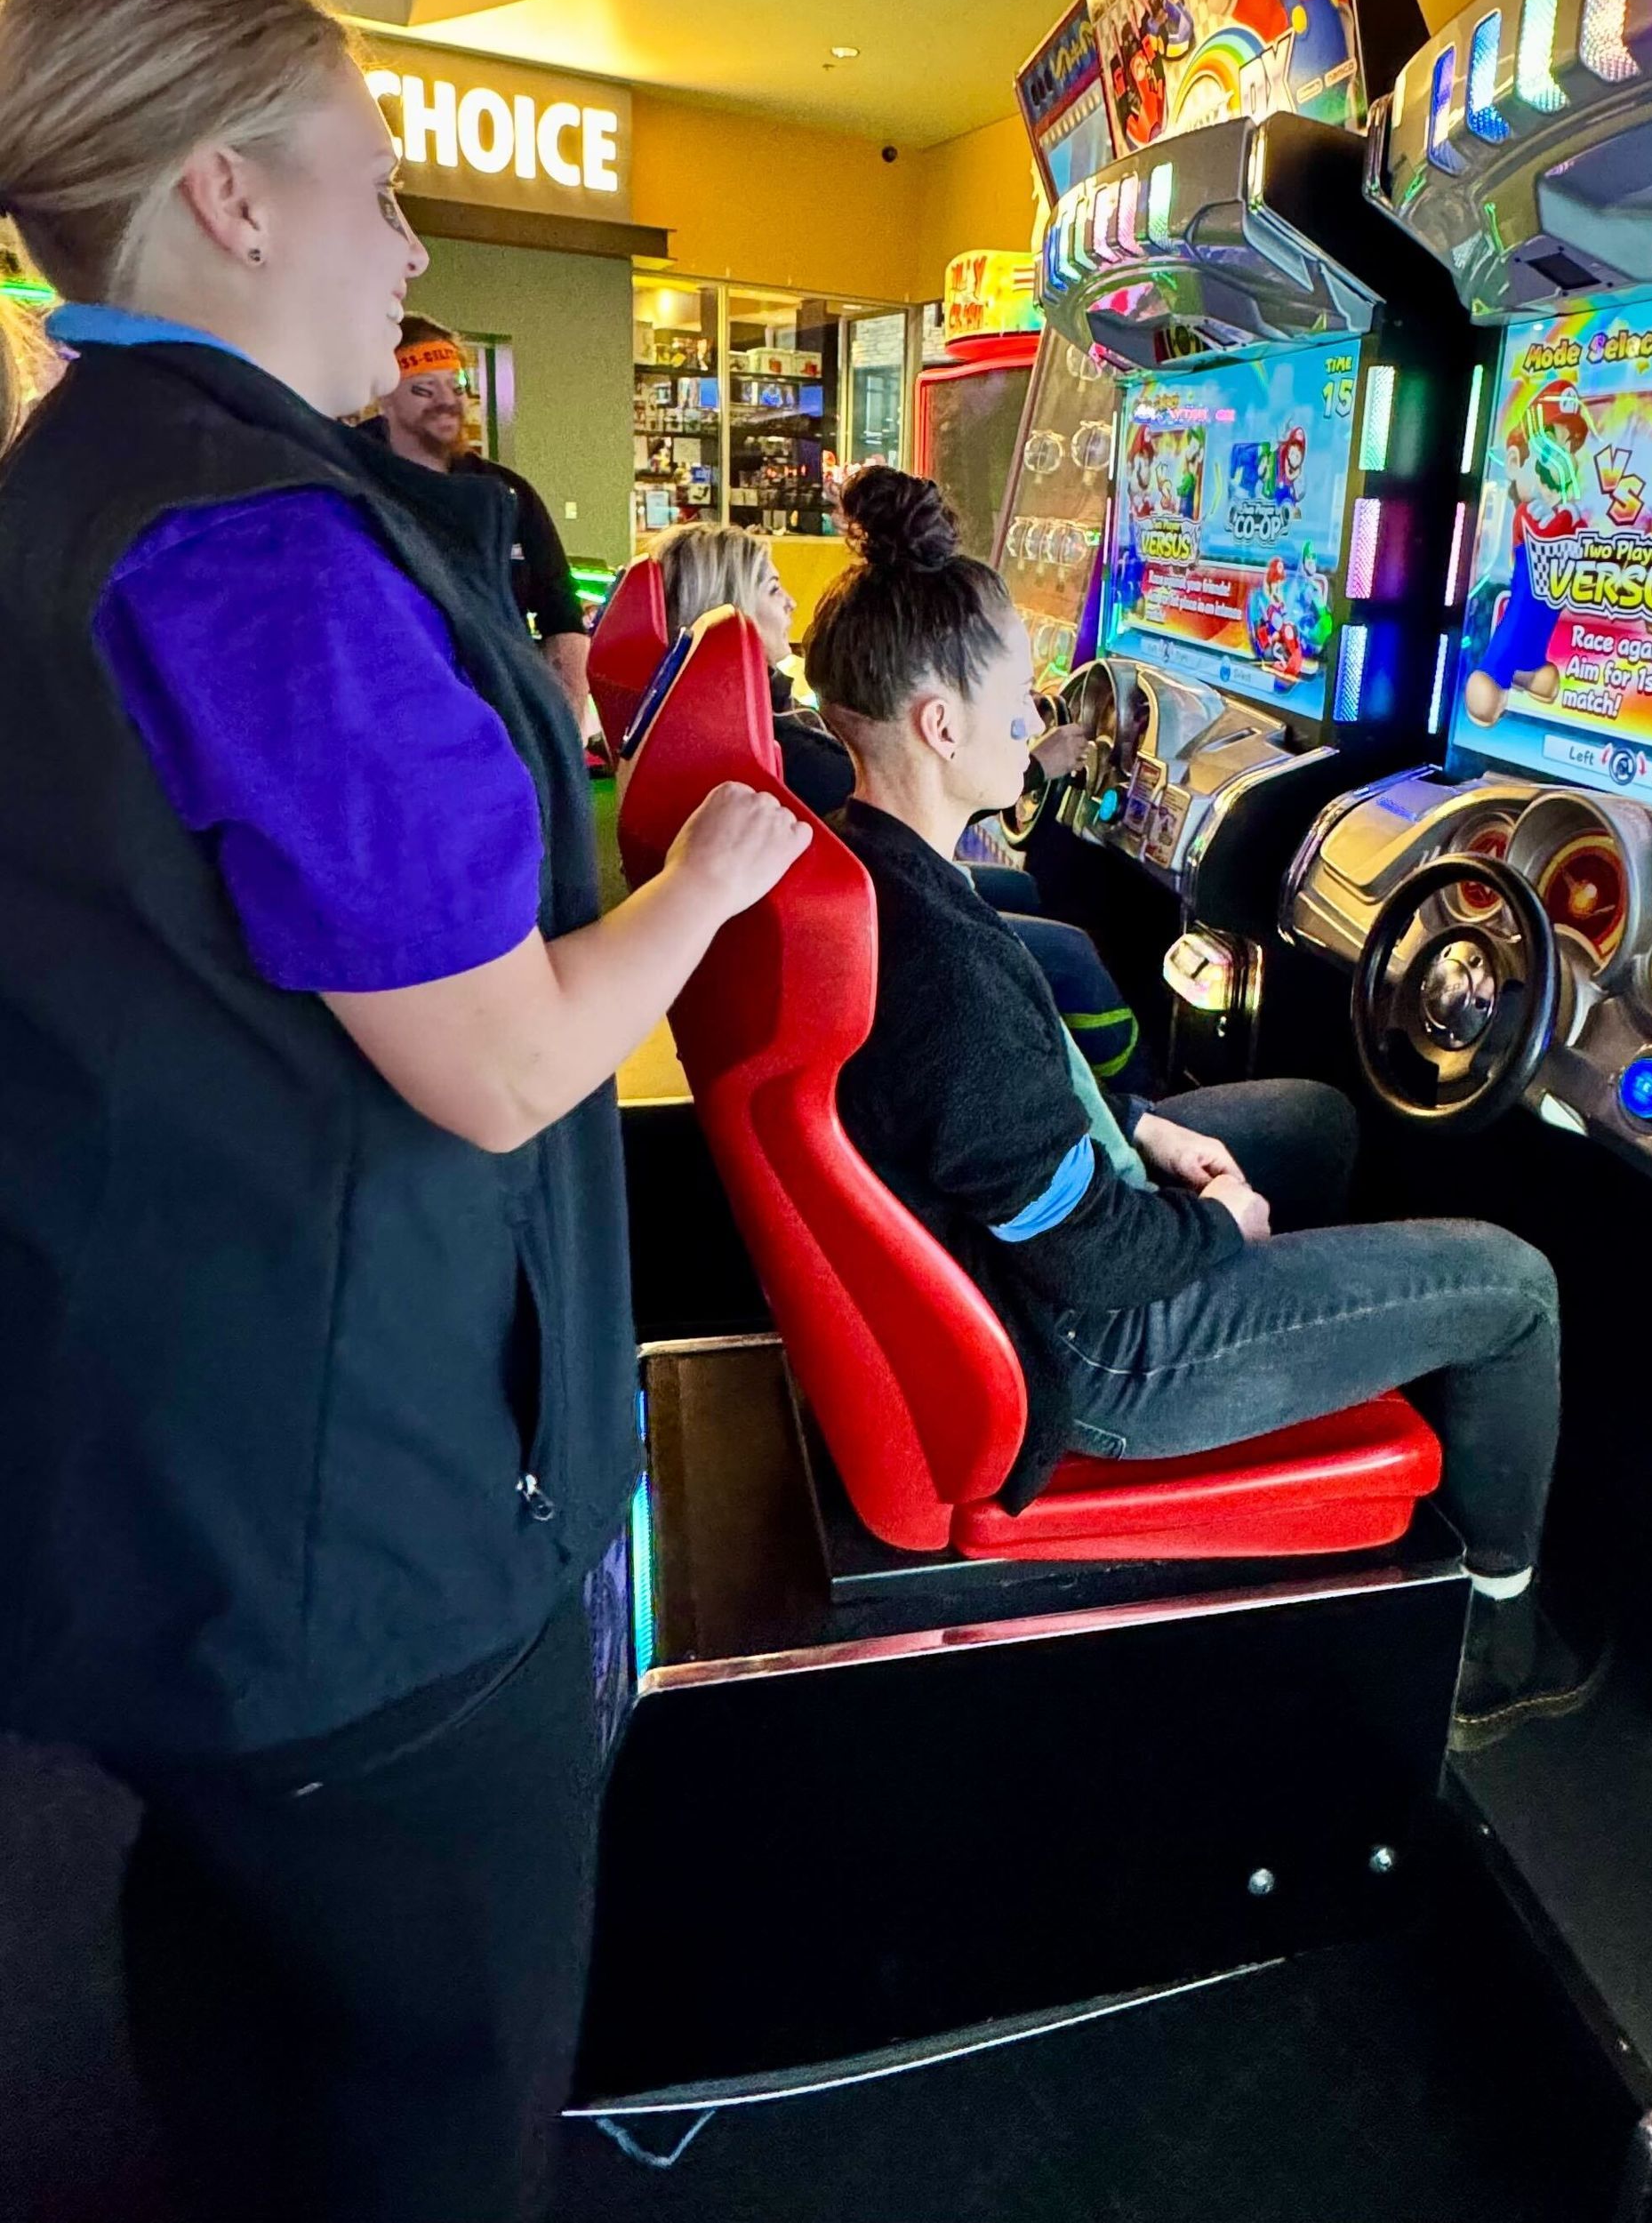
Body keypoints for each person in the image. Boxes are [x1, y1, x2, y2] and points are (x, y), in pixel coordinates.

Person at [0, 0, 806, 2221]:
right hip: (345, 1532)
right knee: (434, 2078)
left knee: (243, 1978)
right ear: (229, 197)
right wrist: (707, 876)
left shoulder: (80, 477)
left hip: (164, 1464)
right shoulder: (260, 549)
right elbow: (504, 1059)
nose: (412, 245)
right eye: (374, 189)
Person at [804, 468, 1587, 1747]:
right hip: (1108, 1350)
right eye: (1020, 696)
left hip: (1066, 1268)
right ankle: (1496, 1641)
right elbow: (1087, 1252)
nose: (1039, 718)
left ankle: (1324, 1377)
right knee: (1517, 1287)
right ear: (941, 725)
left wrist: (1146, 1124)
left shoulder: (895, 875)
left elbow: (1023, 1104)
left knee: (1322, 1119)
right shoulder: (942, 973)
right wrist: (1222, 1231)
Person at [649, 518, 1150, 1088]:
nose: (789, 601)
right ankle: (1141, 1086)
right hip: (889, 933)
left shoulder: (735, 724)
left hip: (880, 924)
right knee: (1071, 954)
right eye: (1016, 695)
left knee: (1026, 893)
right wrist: (1033, 768)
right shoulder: (791, 755)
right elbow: (911, 793)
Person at [369, 309, 597, 741]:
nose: (446, 402)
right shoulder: (349, 480)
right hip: (393, 724)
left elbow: (562, 622)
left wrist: (562, 738)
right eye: (424, 389)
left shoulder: (507, 494)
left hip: (502, 721)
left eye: (456, 386)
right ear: (385, 397)